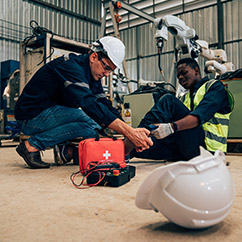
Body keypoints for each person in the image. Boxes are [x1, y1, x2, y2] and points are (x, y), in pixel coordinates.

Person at [15, 36, 153, 169]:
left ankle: (67, 152)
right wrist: (129, 132)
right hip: (31, 117)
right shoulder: (71, 66)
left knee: (92, 130)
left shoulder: (93, 75)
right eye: (106, 68)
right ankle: (32, 145)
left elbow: (104, 105)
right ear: (94, 57)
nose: (106, 74)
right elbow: (88, 104)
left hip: (49, 115)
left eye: (110, 71)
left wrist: (129, 133)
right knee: (90, 120)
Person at [126, 57, 234, 161]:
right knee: (144, 146)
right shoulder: (185, 97)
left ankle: (135, 136)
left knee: (168, 100)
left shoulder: (214, 87)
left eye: (184, 73)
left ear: (196, 70)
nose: (180, 78)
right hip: (187, 148)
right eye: (178, 76)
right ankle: (122, 152)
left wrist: (170, 128)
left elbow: (199, 117)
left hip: (208, 151)